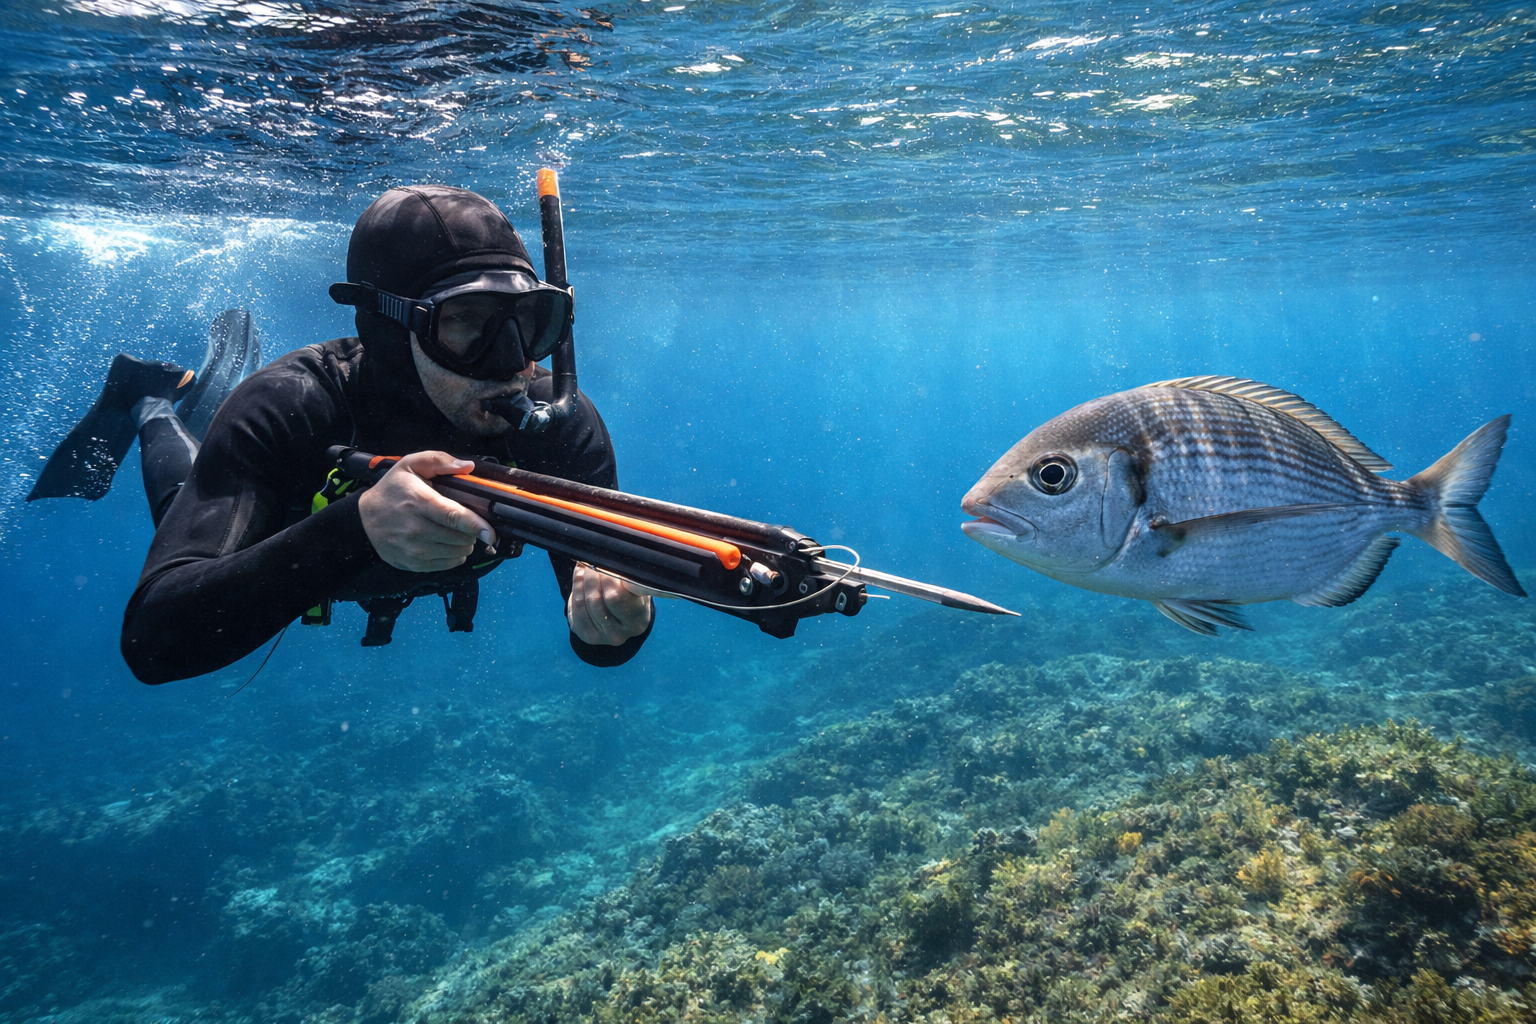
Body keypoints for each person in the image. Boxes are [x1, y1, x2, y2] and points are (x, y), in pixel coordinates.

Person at [33, 185, 654, 683]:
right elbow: (155, 643)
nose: (513, 364)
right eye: (467, 325)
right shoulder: (292, 403)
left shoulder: (557, 424)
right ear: (390, 330)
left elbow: (599, 635)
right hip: (282, 526)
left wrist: (615, 625)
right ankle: (148, 403)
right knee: (181, 498)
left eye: (530, 322)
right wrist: (354, 528)